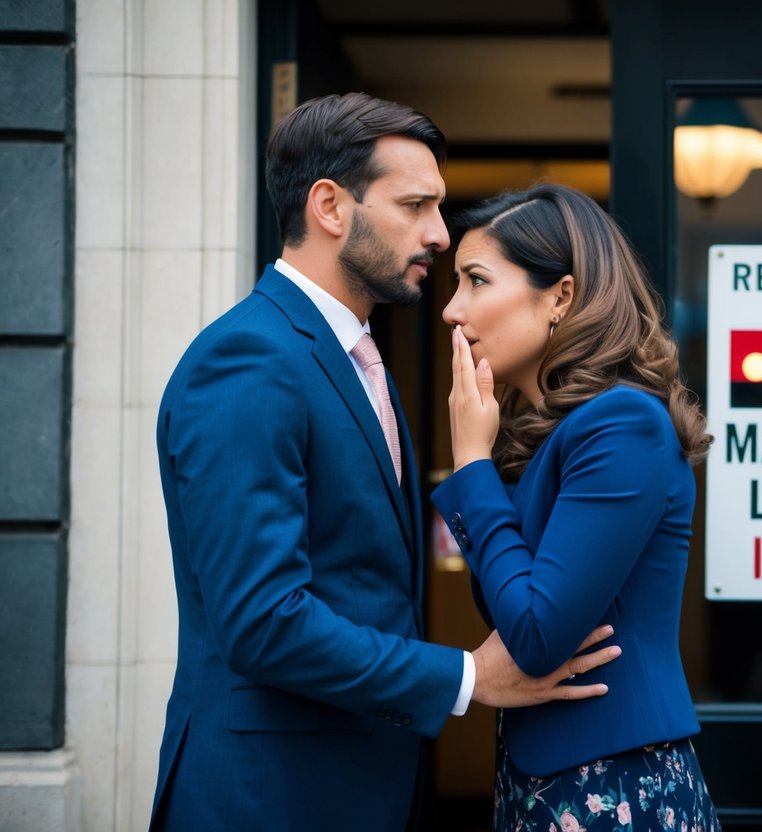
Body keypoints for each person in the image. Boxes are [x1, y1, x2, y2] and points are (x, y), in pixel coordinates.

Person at [149, 95, 620, 831]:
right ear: (330, 206)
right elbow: (262, 620)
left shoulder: (356, 359)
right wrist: (466, 677)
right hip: (268, 797)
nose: (439, 232)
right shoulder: (248, 360)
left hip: (351, 786)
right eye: (415, 205)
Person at [435, 183, 722, 831]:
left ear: (561, 296)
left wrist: (472, 464)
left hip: (613, 783)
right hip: (549, 779)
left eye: (475, 281)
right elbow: (510, 611)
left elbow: (533, 638)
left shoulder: (623, 423)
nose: (452, 311)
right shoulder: (538, 436)